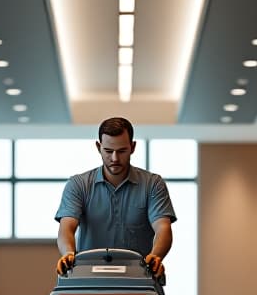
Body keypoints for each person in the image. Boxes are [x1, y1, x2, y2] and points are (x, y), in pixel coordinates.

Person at [54, 117, 176, 278]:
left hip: (141, 277)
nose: (115, 159)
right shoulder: (78, 184)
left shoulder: (152, 184)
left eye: (122, 151)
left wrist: (156, 255)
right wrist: (68, 252)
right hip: (89, 278)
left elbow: (163, 228)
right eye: (108, 151)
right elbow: (66, 228)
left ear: (132, 147)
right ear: (98, 147)